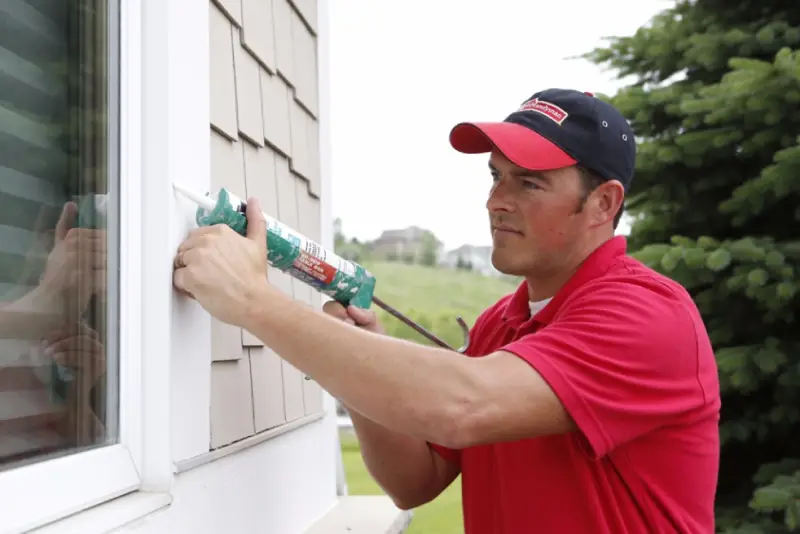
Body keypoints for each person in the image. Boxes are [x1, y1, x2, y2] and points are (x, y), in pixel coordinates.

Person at [172, 88, 721, 533]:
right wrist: (363, 345)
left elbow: (463, 404)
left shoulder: (647, 314)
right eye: (495, 176)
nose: (496, 201)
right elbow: (416, 480)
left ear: (603, 204)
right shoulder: (499, 325)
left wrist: (252, 302)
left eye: (529, 182)